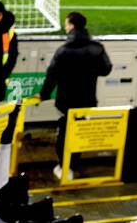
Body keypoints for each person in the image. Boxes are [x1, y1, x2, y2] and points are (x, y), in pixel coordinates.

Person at [40, 13, 113, 179]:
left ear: (71, 26)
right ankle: (73, 165)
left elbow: (52, 75)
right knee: (79, 131)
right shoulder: (97, 48)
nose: (65, 27)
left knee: (64, 132)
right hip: (87, 99)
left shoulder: (63, 50)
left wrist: (44, 94)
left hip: (65, 101)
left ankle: (65, 167)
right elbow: (105, 69)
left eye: (66, 24)